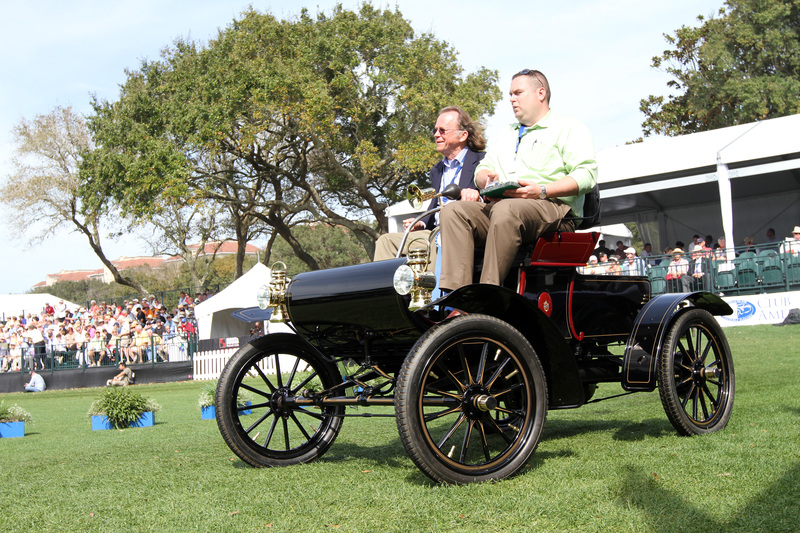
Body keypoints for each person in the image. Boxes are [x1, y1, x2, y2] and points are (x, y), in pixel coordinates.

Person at [439, 69, 598, 290]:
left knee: (507, 210)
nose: (512, 99)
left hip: (554, 209)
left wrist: (542, 190)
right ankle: (457, 296)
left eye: (518, 93)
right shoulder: (507, 132)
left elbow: (586, 175)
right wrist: (485, 178)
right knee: (453, 211)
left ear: (540, 93)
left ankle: (487, 293)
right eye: (510, 94)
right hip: (505, 209)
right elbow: (484, 167)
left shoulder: (568, 127)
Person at [373, 106, 485, 264]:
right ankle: (386, 289)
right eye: (435, 130)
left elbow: (492, 200)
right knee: (386, 241)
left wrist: (477, 196)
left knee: (437, 241)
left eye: (443, 130)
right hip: (436, 232)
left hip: (463, 231)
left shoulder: (482, 162)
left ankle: (432, 288)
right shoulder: (436, 170)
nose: (436, 135)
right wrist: (421, 223)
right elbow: (435, 207)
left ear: (463, 135)